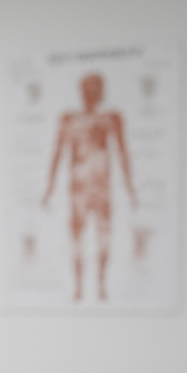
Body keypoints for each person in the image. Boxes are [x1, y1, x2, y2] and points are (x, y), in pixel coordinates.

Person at [41, 71, 137, 302]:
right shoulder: (69, 119)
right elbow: (58, 153)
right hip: (78, 188)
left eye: (97, 89)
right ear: (81, 91)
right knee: (77, 237)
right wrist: (50, 188)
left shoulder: (111, 119)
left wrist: (130, 188)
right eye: (89, 88)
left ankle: (102, 284)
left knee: (103, 235)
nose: (93, 93)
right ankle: (78, 287)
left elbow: (123, 153)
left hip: (102, 187)